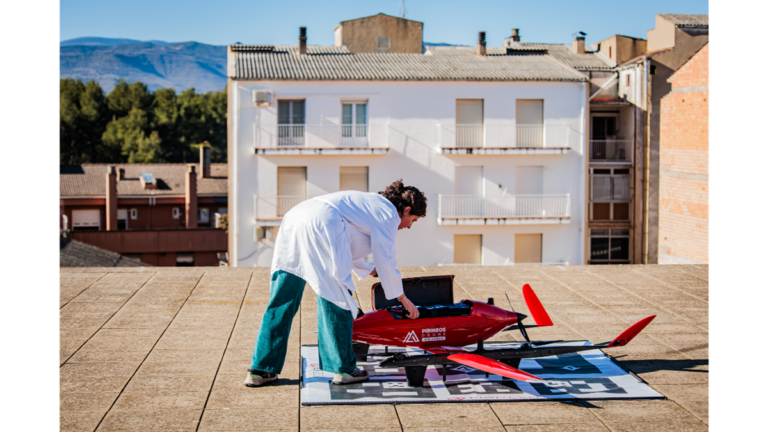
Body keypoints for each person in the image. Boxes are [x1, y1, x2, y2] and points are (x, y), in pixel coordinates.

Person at [245, 180, 427, 387]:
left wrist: (369, 270)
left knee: (282, 301)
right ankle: (344, 369)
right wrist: (403, 299)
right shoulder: (388, 213)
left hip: (295, 219)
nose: (409, 226)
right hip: (323, 222)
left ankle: (260, 370)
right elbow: (386, 257)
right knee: (337, 298)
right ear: (406, 209)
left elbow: (348, 242)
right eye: (413, 220)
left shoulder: (367, 204)